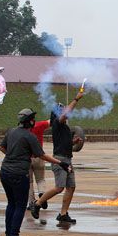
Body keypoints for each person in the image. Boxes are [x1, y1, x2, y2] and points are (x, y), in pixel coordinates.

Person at [0, 109, 69, 236]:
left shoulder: (11, 132)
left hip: (5, 171)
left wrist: (12, 155)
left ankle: (8, 234)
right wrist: (60, 163)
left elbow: (1, 147)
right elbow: (42, 155)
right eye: (33, 119)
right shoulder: (30, 136)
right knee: (20, 205)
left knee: (11, 204)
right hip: (19, 173)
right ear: (30, 121)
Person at [32, 89, 85, 224]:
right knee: (59, 188)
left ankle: (63, 214)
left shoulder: (64, 128)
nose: (64, 111)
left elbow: (64, 143)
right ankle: (37, 204)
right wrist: (76, 99)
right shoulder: (58, 122)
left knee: (71, 187)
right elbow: (64, 116)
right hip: (59, 160)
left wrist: (73, 142)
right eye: (62, 110)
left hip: (67, 159)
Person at [27, 117, 51, 212]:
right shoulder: (39, 125)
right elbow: (51, 121)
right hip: (39, 156)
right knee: (40, 179)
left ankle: (31, 203)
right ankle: (42, 194)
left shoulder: (24, 130)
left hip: (27, 158)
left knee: (29, 182)